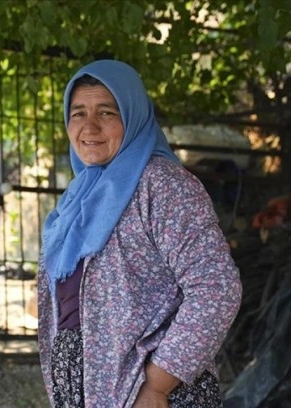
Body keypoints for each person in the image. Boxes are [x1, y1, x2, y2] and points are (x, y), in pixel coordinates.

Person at [37, 60, 242, 408]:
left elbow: (216, 287)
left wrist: (158, 385)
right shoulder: (79, 196)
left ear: (133, 116)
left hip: (150, 392)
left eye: (106, 112)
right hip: (89, 390)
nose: (89, 126)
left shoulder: (163, 185)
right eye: (78, 113)